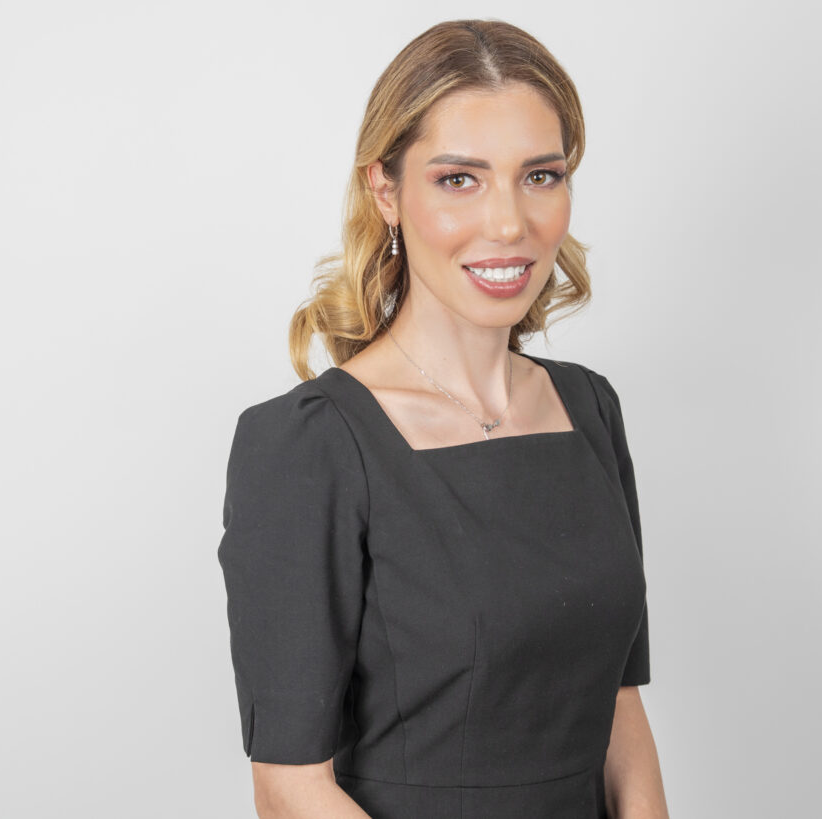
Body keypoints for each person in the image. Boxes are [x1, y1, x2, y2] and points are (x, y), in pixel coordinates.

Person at [217, 18, 669, 819]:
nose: (508, 223)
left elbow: (618, 707)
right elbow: (290, 787)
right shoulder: (310, 445)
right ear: (385, 190)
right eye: (460, 178)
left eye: (540, 175)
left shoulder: (590, 408)